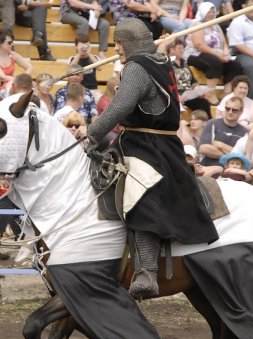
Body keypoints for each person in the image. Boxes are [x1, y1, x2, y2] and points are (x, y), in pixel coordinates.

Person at [86, 18, 219, 298]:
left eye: (120, 42)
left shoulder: (137, 67)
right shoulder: (159, 61)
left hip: (149, 145)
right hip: (145, 140)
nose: (117, 48)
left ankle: (146, 270)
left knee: (138, 190)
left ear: (132, 43)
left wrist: (92, 133)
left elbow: (119, 107)